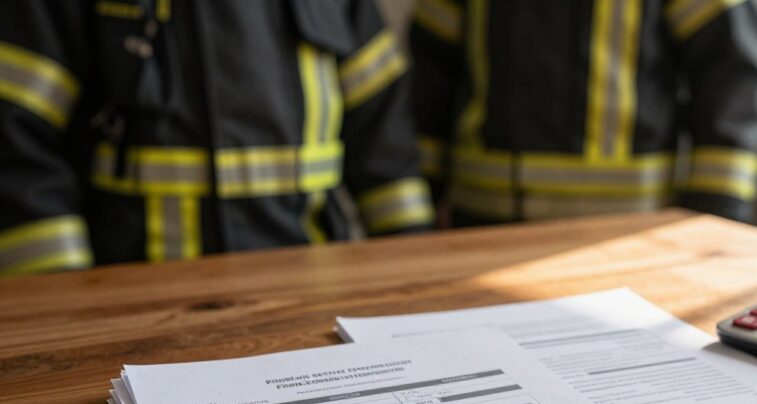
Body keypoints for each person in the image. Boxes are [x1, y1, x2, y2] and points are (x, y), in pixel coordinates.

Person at [0, 0, 434, 277]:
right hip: (132, 311)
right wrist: (62, 304)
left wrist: (415, 278)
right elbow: (17, 143)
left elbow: (383, 137)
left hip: (311, 300)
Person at [409, 0, 757, 226]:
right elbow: (428, 87)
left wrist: (714, 222)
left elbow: (731, 86)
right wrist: (418, 215)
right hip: (479, 223)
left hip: (626, 233)